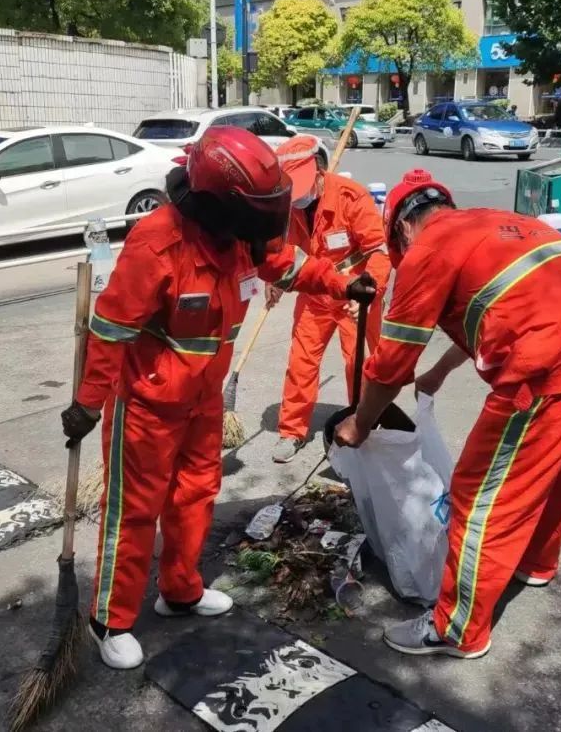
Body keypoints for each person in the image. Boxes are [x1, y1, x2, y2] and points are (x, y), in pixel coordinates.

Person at [61, 127, 377, 670]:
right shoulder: (158, 244)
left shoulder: (242, 232)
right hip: (147, 407)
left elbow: (287, 263)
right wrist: (89, 403)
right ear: (218, 201)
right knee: (133, 513)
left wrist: (340, 284)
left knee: (195, 497)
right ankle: (109, 619)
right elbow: (110, 329)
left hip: (205, 401)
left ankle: (180, 591)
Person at [334, 169, 561, 660]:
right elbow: (498, 301)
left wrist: (360, 423)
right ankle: (535, 562)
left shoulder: (427, 248)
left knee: (481, 495)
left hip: (550, 361)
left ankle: (456, 629)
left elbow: (391, 363)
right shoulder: (499, 223)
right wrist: (439, 372)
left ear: (402, 229)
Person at [265, 135, 392, 463]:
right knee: (301, 362)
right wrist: (277, 281)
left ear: (319, 172)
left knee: (360, 364)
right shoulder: (286, 207)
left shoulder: (351, 197)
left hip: (356, 293)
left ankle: (364, 424)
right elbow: (283, 252)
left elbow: (379, 250)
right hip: (315, 294)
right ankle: (291, 430)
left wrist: (370, 290)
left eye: (301, 190)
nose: (297, 200)